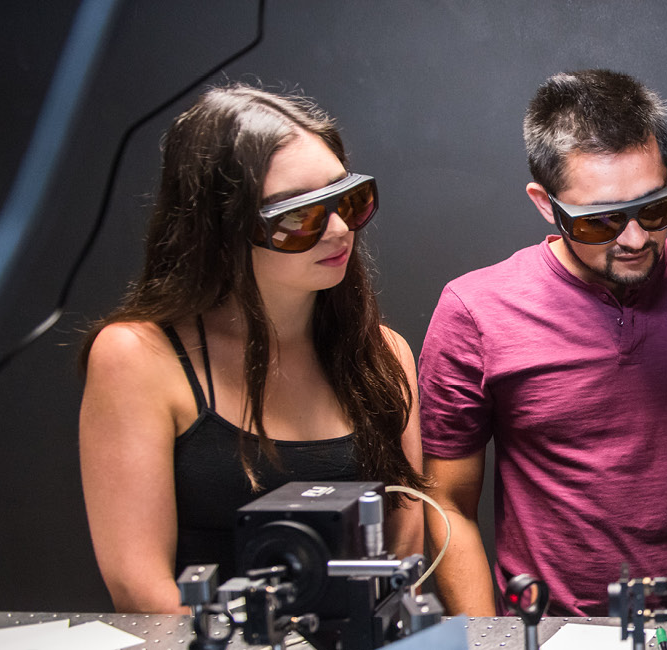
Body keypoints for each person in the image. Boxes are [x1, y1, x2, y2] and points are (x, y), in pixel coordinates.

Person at [79, 84, 427, 614]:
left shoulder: (382, 353)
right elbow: (140, 588)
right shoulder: (138, 357)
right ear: (220, 231)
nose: (337, 231)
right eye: (298, 217)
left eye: (348, 200)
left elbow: (405, 549)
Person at [419, 69, 667, 618]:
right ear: (545, 203)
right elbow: (447, 501)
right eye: (601, 222)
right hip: (545, 628)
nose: (637, 238)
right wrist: (490, 638)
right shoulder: (475, 312)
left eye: (656, 207)